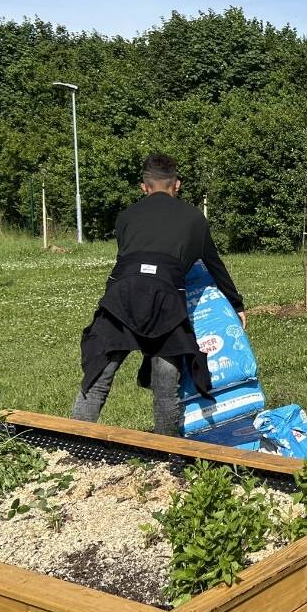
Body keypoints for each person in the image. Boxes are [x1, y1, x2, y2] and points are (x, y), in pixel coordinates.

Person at [72, 153, 246, 436]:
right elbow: (213, 264)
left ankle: (71, 442)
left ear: (144, 187)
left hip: (121, 295)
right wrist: (236, 304)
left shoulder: (126, 217)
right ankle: (166, 456)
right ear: (176, 184)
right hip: (166, 298)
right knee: (166, 386)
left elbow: (128, 257)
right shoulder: (194, 219)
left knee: (99, 374)